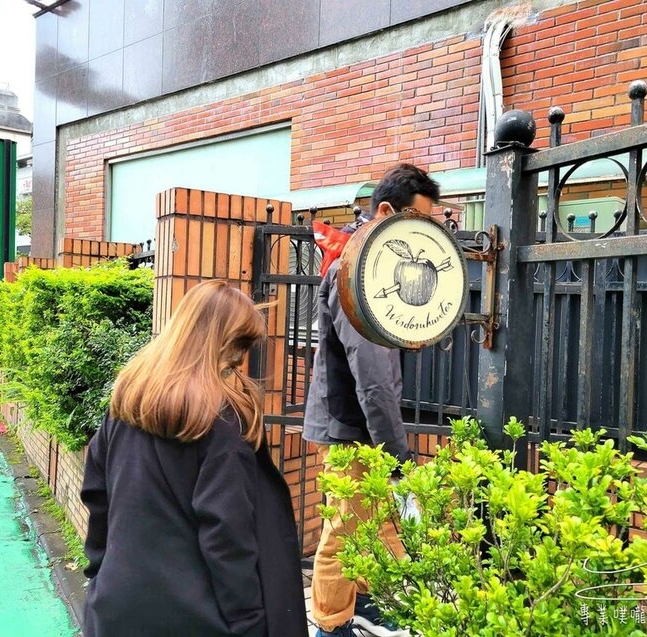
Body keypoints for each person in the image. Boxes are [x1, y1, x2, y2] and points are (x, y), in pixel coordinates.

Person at [81, 280, 308, 637]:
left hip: (117, 608)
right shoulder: (222, 424)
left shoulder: (127, 405)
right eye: (239, 345)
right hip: (198, 618)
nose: (241, 358)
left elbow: (97, 497)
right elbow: (228, 537)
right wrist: (249, 622)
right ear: (218, 342)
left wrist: (99, 573)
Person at [305, 163, 440, 637]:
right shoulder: (358, 271)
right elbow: (374, 379)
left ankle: (363, 604)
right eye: (417, 220)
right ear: (386, 211)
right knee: (343, 533)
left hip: (352, 425)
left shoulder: (368, 264)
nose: (425, 234)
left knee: (372, 522)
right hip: (350, 429)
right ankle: (330, 626)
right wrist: (397, 457)